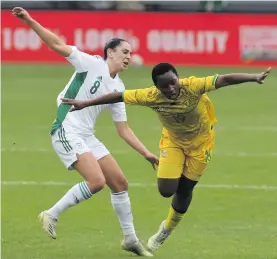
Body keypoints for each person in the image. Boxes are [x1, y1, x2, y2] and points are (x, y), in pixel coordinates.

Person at [60, 62, 271, 253]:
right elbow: (119, 96)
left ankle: (166, 230)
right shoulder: (150, 96)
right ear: (156, 87)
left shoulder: (193, 86)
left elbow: (223, 79)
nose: (170, 89)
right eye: (164, 86)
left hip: (201, 143)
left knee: (185, 190)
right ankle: (175, 180)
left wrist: (254, 77)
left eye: (173, 83)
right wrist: (87, 103)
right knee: (166, 190)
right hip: (173, 142)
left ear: (178, 77)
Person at [12, 7, 159, 257]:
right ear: (110, 52)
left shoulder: (118, 86)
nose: (128, 57)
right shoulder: (89, 63)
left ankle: (130, 239)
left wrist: (146, 154)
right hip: (66, 129)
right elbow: (56, 44)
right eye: (124, 52)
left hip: (86, 135)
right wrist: (30, 20)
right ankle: (51, 214)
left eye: (131, 54)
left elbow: (122, 129)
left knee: (120, 183)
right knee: (97, 182)